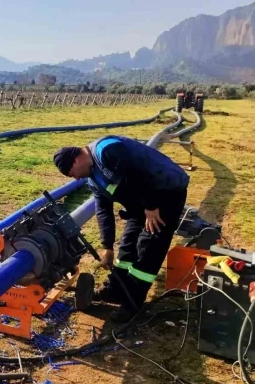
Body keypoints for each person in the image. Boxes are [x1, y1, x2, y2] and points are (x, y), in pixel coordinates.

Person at [53, 135, 189, 322]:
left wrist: (150, 206)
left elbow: (137, 172)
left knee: (149, 247)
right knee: (128, 245)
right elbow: (103, 211)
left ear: (76, 160)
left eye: (72, 173)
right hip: (140, 202)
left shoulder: (107, 150)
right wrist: (107, 246)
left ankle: (132, 303)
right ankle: (116, 290)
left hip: (165, 193)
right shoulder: (93, 180)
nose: (76, 178)